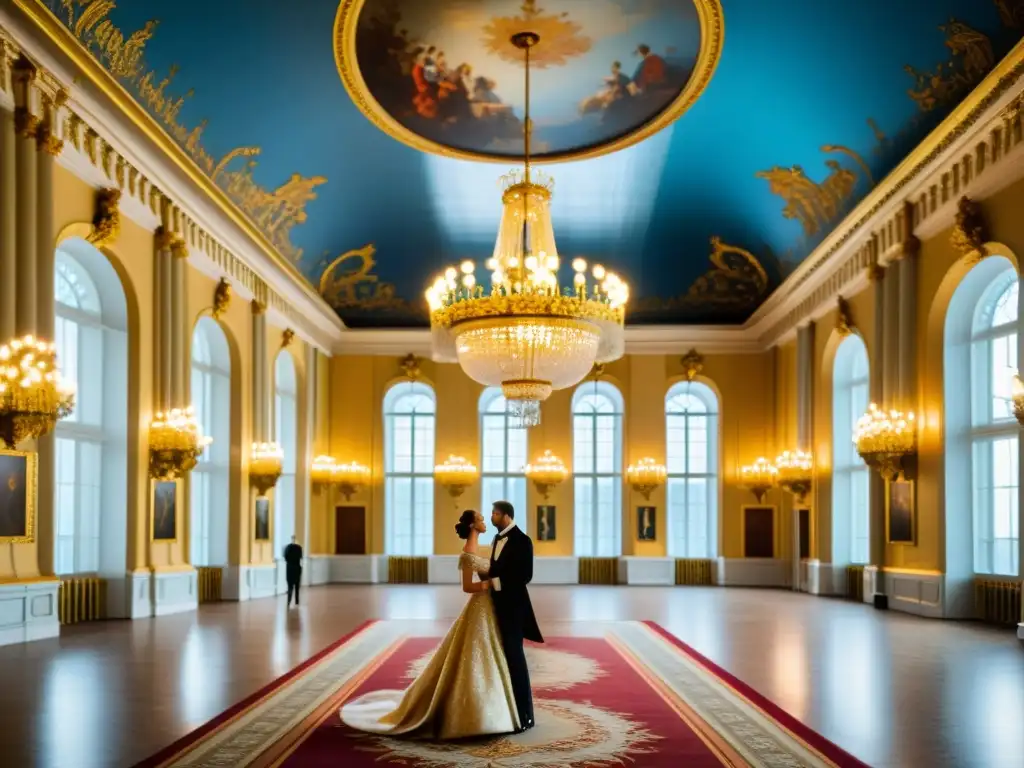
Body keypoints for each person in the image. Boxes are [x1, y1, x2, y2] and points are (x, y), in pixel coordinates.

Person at [340, 509, 524, 739]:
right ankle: (474, 712)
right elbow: (467, 587)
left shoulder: (477, 549)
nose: (485, 521)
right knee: (477, 653)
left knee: (489, 652)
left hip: (489, 608)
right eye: (481, 519)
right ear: (473, 526)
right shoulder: (468, 552)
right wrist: (491, 585)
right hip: (480, 606)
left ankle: (492, 708)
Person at [486, 500, 543, 731]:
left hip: (514, 608)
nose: (492, 517)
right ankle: (505, 710)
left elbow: (525, 575)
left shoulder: (523, 540)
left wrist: (495, 582)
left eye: (495, 513)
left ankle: (524, 715)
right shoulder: (496, 539)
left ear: (506, 516)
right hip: (495, 606)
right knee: (500, 658)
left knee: (515, 659)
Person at [283, 535, 303, 607]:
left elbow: (285, 557)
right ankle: (297, 601)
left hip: (290, 569)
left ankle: (289, 601)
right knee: (297, 586)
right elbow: (301, 557)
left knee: (290, 586)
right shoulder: (299, 548)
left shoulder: (288, 548)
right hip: (297, 568)